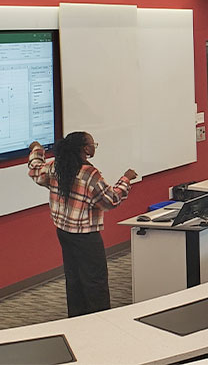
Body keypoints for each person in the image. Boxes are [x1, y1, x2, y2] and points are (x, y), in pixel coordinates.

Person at [28, 132, 136, 317]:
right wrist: (125, 179)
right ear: (86, 149)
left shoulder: (56, 166)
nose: (95, 146)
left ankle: (77, 321)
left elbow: (36, 170)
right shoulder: (89, 173)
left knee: (74, 278)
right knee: (95, 281)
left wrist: (37, 150)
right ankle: (101, 322)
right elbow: (110, 200)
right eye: (93, 144)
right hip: (86, 236)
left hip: (63, 232)